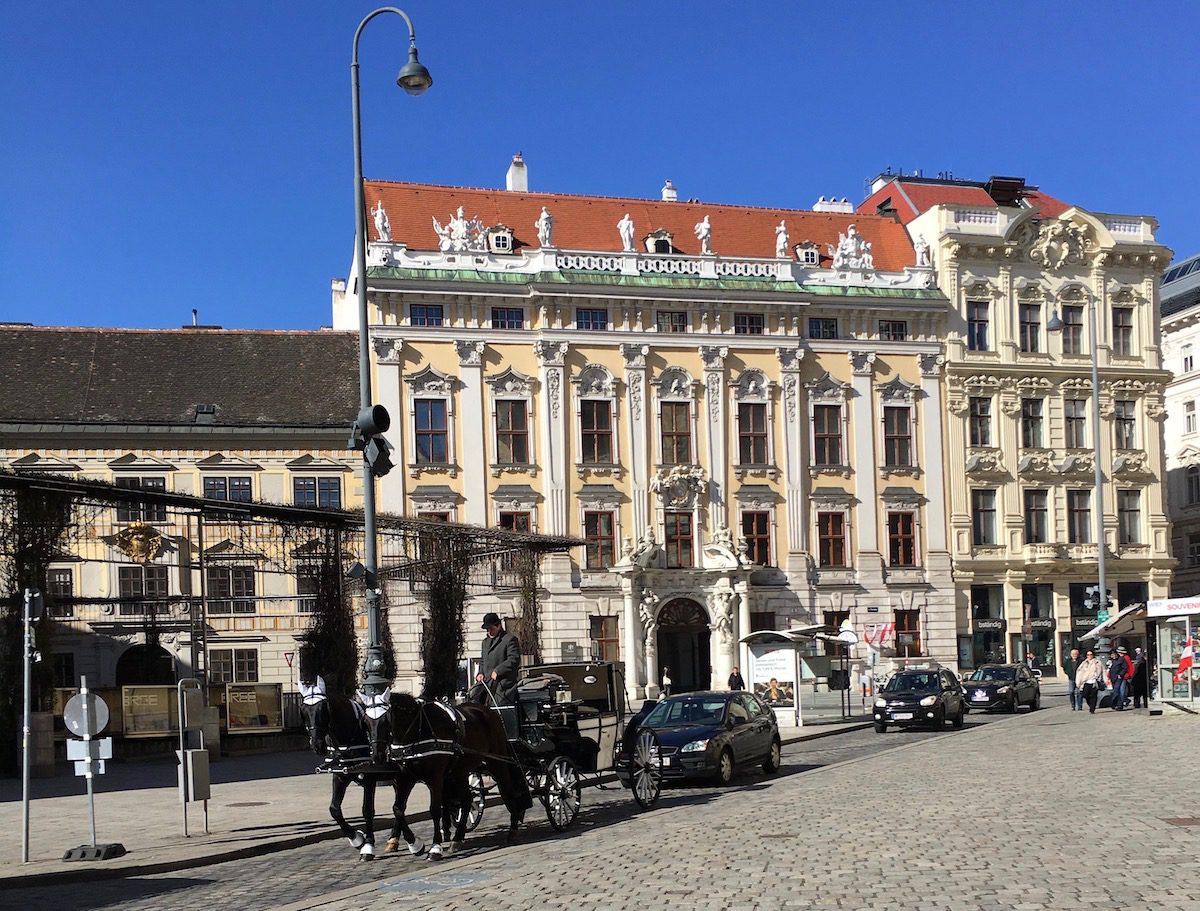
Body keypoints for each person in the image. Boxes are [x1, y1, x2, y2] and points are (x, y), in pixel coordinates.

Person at [468, 612, 520, 706]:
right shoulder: (485, 643)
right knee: (473, 697)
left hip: (503, 685)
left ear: (499, 626)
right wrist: (480, 673)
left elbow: (513, 659)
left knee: (498, 706)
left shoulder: (509, 639)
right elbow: (483, 661)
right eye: (487, 629)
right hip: (487, 683)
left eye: (491, 629)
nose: (489, 632)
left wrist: (498, 671)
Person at [1075, 649, 1105, 714]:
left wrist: (1105, 680)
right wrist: (1078, 682)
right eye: (1088, 655)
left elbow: (1103, 672)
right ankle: (1090, 704)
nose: (1089, 656)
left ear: (1093, 655)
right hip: (1086, 682)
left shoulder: (1097, 662)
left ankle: (1092, 709)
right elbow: (1079, 672)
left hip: (1094, 681)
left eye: (1091, 654)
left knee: (1094, 696)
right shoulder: (1084, 663)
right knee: (1085, 695)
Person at [1108, 646, 1134, 711]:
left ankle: (1119, 704)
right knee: (1118, 691)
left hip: (1122, 677)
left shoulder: (1124, 658)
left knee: (1120, 691)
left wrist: (1128, 675)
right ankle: (1122, 702)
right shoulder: (1111, 661)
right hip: (1114, 677)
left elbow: (1128, 667)